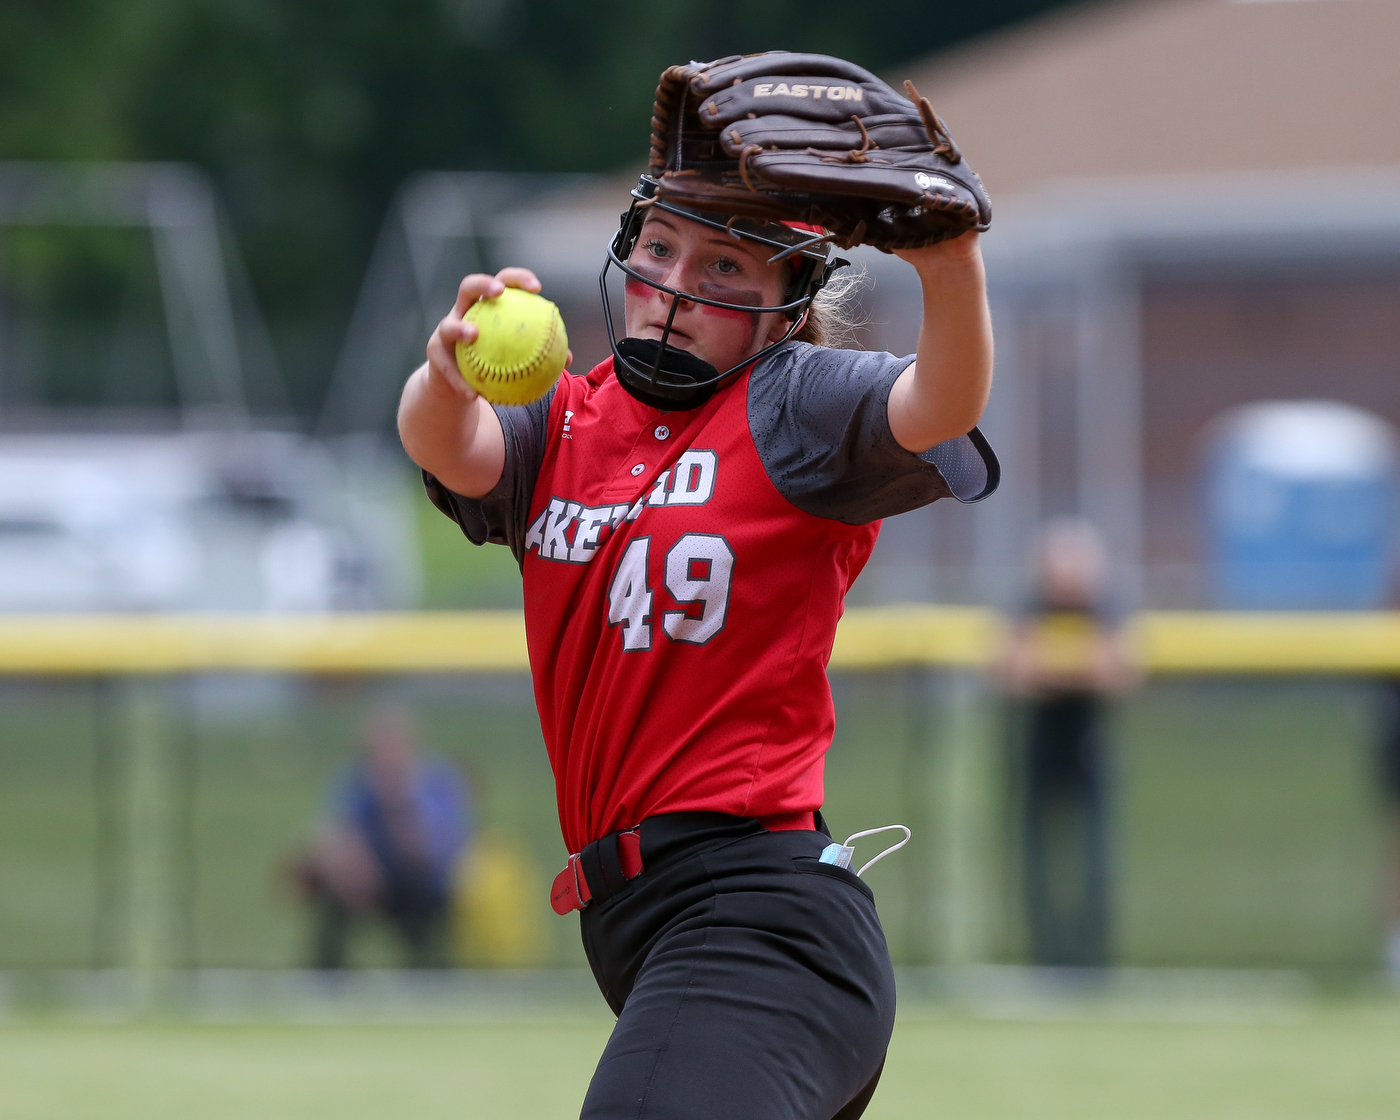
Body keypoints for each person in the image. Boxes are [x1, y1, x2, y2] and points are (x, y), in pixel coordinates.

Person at [398, 53, 998, 1120]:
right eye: (662, 250)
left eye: (726, 269)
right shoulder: (572, 419)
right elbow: (456, 451)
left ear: (783, 308)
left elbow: (936, 406)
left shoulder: (791, 403)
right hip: (642, 923)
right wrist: (443, 375)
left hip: (758, 921)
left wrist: (948, 266)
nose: (677, 289)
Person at [999, 518, 1138, 968]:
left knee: (1094, 856)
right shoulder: (1030, 607)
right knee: (1037, 856)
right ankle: (1046, 955)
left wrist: (1052, 668)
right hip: (1038, 750)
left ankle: (1092, 958)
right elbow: (1014, 672)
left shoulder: (1104, 609)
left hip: (1089, 749)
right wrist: (1077, 668)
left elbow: (1117, 672)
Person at [294, 706, 471, 969]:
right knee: (330, 886)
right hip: (366, 881)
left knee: (423, 899)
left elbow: (430, 855)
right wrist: (353, 863)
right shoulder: (355, 779)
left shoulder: (436, 781)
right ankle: (327, 976)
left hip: (421, 885)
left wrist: (396, 803)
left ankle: (428, 971)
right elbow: (329, 831)